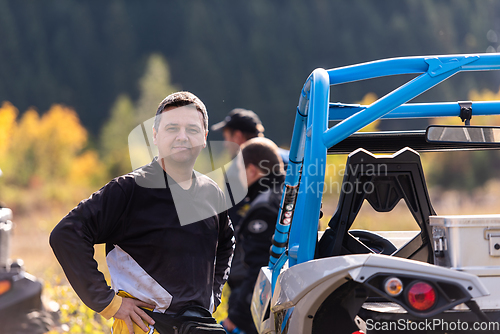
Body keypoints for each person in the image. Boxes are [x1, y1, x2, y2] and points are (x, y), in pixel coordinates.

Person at [50, 91, 234, 334]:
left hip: (196, 327)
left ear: (204, 137)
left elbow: (226, 242)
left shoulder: (211, 192)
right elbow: (66, 235)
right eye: (172, 128)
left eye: (192, 129)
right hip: (144, 328)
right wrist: (108, 303)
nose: (182, 137)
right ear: (155, 136)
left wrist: (211, 297)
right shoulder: (129, 190)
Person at [220, 137, 285, 334]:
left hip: (258, 313)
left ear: (252, 170)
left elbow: (259, 268)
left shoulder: (264, 206)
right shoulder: (292, 197)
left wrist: (237, 317)